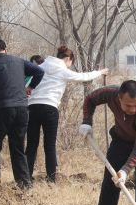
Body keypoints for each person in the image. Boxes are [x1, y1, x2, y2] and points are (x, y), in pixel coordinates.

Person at [26, 46, 109, 182]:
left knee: (31, 144)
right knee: (49, 145)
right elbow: (83, 77)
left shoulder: (42, 66)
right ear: (68, 59)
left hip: (33, 107)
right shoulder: (62, 70)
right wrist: (100, 72)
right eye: (71, 63)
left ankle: (26, 178)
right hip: (50, 108)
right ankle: (51, 179)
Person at [0, 39, 44, 189]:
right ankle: (24, 184)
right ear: (5, 49)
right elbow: (39, 71)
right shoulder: (19, 62)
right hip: (22, 109)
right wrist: (30, 88)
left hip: (1, 110)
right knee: (17, 147)